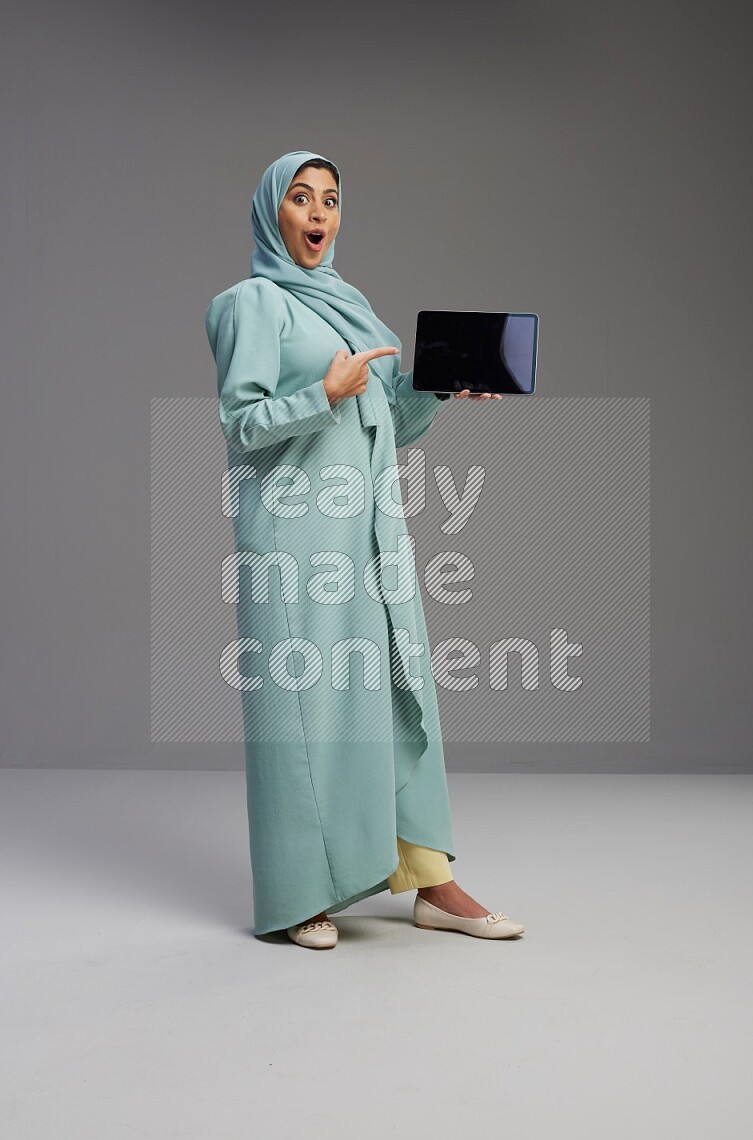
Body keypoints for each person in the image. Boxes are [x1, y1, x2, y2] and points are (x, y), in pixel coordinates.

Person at [205, 150, 524, 949]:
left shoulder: (351, 307)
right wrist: (324, 393)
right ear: (272, 212)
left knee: (396, 691)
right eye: (301, 199)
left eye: (332, 201)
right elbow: (240, 426)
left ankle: (429, 881)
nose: (318, 214)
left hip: (369, 530)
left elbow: (392, 424)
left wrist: (438, 387)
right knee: (305, 709)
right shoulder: (252, 304)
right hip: (293, 537)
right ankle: (299, 891)